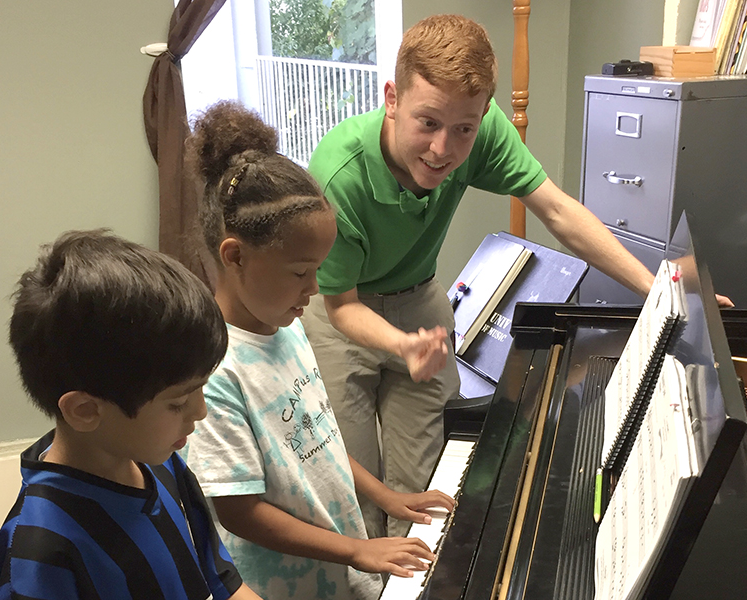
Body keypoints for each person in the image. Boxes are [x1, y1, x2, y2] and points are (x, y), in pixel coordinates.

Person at [300, 13, 721, 539]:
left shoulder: (479, 131)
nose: (443, 150)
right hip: (346, 310)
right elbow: (340, 307)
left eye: (464, 130)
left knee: (423, 483)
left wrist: (656, 286)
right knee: (352, 487)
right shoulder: (339, 173)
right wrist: (401, 345)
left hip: (419, 298)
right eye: (427, 123)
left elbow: (558, 211)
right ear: (392, 98)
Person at [182, 100, 454, 600]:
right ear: (235, 256)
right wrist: (355, 550)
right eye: (300, 272)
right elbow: (239, 512)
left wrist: (388, 498)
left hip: (335, 568)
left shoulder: (285, 328)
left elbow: (318, 440)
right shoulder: (214, 372)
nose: (315, 289)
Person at [0, 230, 261, 600]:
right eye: (178, 402)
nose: (201, 411)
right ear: (85, 410)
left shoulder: (165, 465)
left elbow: (225, 585)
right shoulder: (37, 553)